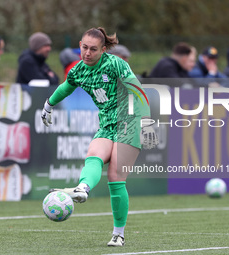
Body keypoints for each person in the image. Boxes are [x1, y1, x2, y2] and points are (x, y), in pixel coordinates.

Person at [41, 27, 158, 247]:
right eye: (84, 47)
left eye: (93, 49)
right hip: (107, 124)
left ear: (103, 50)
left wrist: (146, 123)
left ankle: (118, 233)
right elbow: (66, 87)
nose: (87, 53)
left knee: (115, 177)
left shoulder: (115, 64)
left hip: (129, 123)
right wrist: (49, 104)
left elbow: (139, 93)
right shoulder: (78, 70)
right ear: (79, 45)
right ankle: (82, 189)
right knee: (94, 153)